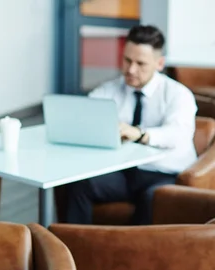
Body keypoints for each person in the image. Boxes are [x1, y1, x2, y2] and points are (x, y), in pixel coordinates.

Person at [64, 25, 198, 225]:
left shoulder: (178, 95)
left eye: (140, 63)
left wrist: (139, 134)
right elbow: (85, 114)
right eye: (127, 60)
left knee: (151, 201)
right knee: (79, 185)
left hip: (163, 174)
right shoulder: (111, 89)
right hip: (125, 174)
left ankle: (133, 256)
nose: (131, 70)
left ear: (159, 63)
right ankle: (69, 250)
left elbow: (178, 135)